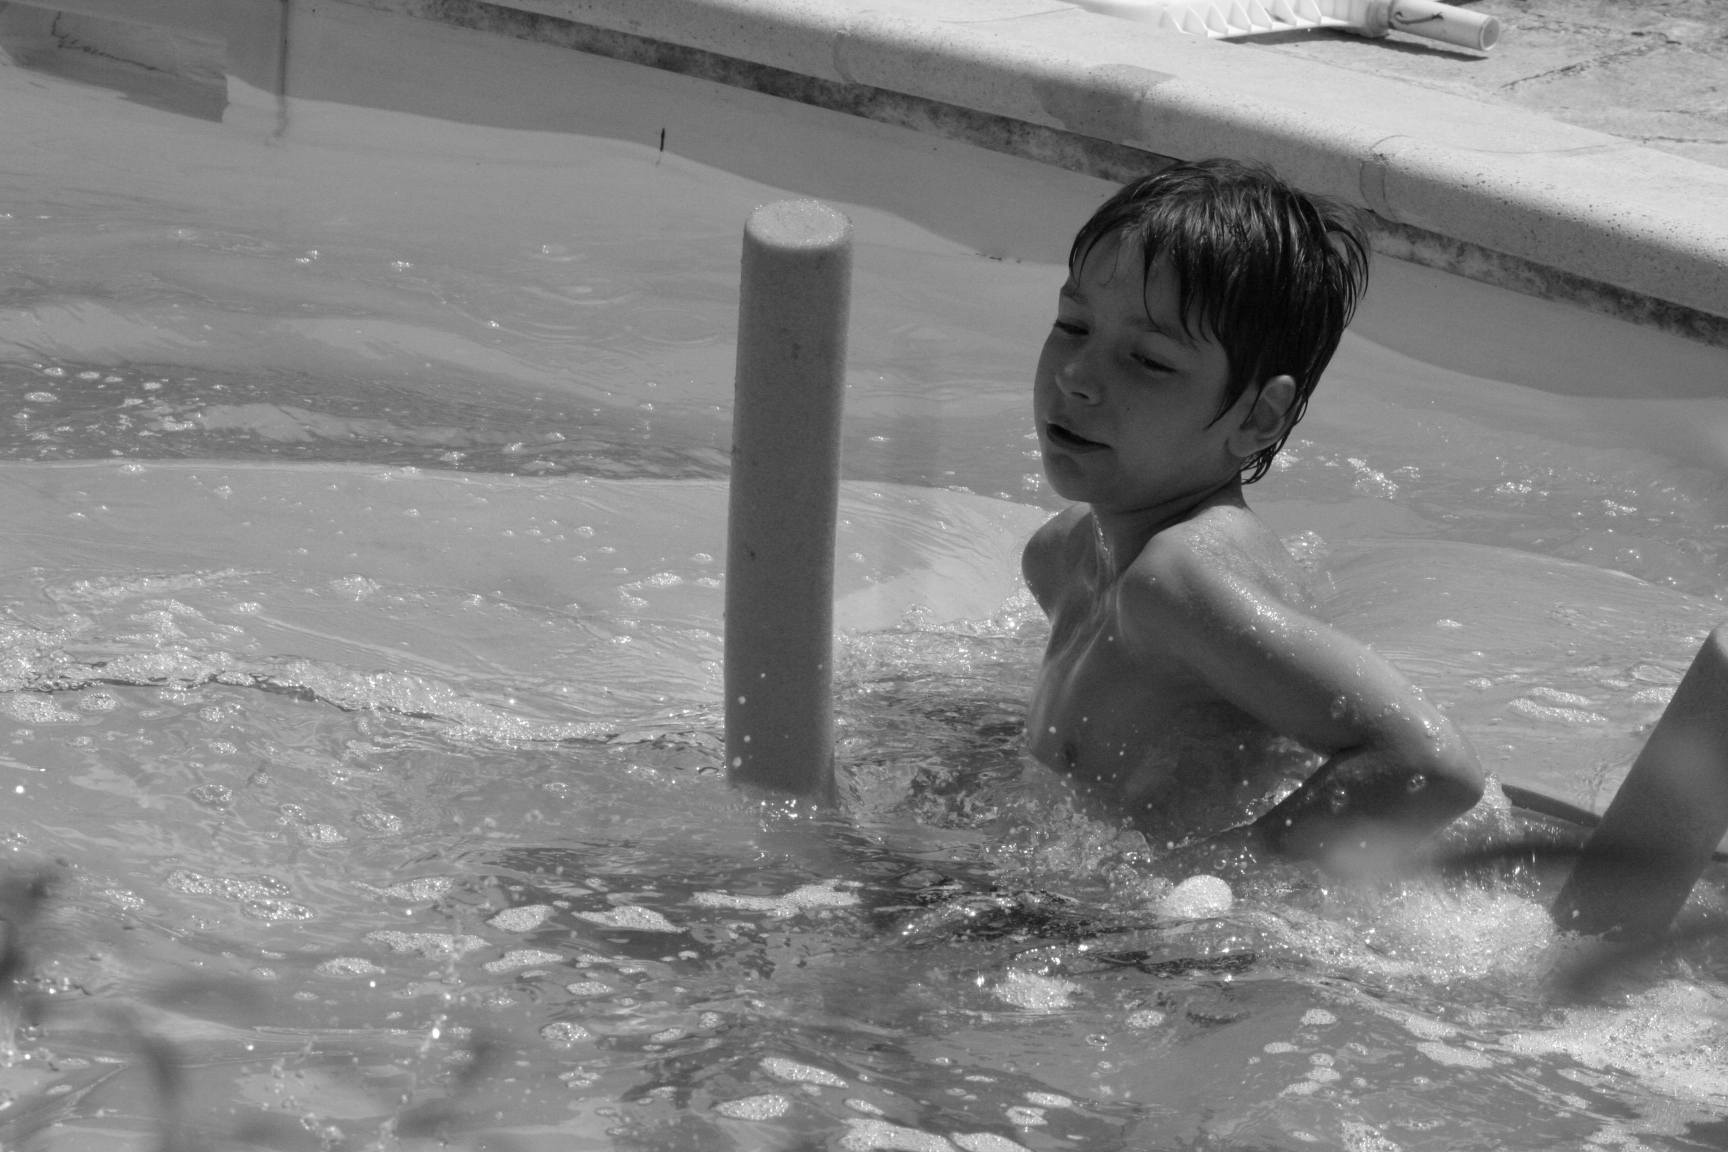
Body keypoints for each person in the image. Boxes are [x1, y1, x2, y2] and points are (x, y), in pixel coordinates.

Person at [1021, 159, 1484, 874]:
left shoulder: (1180, 579)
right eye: (1072, 324)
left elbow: (1432, 765)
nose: (1076, 376)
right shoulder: (1062, 555)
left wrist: (1206, 877)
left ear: (1259, 417)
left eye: (1150, 360)